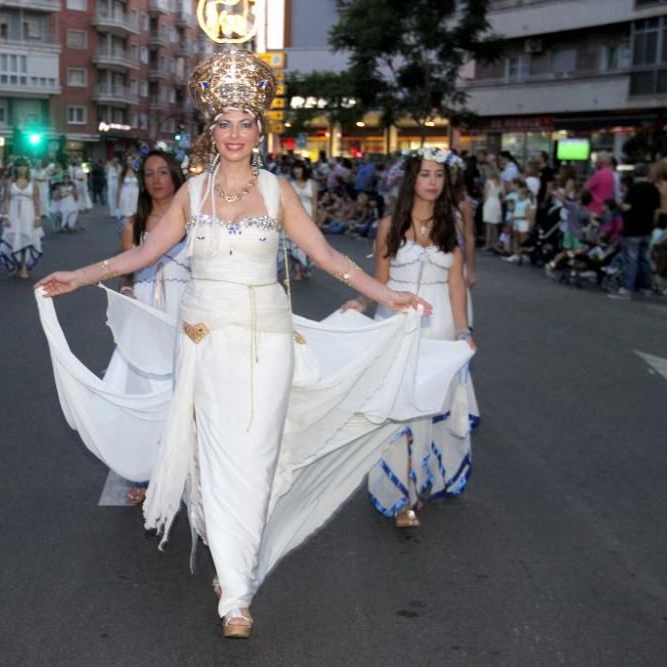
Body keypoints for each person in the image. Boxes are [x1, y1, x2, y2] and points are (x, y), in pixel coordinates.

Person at [34, 50, 469, 639]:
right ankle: (236, 592)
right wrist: (78, 276)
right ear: (211, 132)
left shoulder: (277, 189)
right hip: (205, 343)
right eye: (224, 123)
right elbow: (142, 254)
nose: (234, 133)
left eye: (245, 122)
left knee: (256, 457)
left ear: (258, 130)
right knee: (216, 455)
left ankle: (235, 561)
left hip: (267, 341)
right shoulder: (192, 192)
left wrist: (385, 295)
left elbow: (327, 257)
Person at [342, 148, 478, 528]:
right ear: (412, 180)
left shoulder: (450, 226)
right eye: (426, 174)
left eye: (439, 175)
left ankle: (422, 482)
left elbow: (456, 284)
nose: (433, 182)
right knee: (397, 409)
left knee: (430, 411)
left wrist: (464, 331)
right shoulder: (389, 225)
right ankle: (399, 494)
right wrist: (361, 300)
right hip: (396, 323)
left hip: (440, 326)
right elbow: (381, 280)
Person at [108, 149, 189, 504]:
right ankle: (146, 471)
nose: (156, 180)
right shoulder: (133, 225)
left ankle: (186, 469)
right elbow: (126, 269)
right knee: (145, 393)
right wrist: (127, 292)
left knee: (183, 392)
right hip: (145, 312)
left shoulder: (195, 221)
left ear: (175, 176)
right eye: (149, 174)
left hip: (183, 312)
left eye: (163, 172)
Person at [610, 164, 660, 298]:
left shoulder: (634, 189)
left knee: (630, 259)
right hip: (647, 228)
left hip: (632, 228)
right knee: (644, 259)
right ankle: (646, 287)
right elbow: (656, 212)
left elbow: (627, 207)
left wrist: (619, 205)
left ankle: (628, 287)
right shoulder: (654, 189)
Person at [0, 159, 42, 279]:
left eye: (24, 166)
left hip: (28, 214)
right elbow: (6, 199)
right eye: (19, 166)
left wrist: (38, 217)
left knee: (26, 238)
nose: (21, 169)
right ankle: (15, 265)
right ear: (15, 168)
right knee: (12, 238)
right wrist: (5, 216)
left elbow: (37, 201)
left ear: (27, 169)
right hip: (13, 213)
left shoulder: (33, 183)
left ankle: (24, 267)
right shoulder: (9, 182)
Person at [284, 161, 316, 280]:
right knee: (294, 245)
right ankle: (297, 271)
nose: (296, 171)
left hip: (308, 216)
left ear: (304, 170)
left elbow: (314, 203)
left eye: (299, 168)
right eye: (295, 168)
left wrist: (314, 220)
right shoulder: (290, 184)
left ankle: (305, 268)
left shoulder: (312, 184)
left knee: (307, 246)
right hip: (294, 216)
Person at [482, 164, 503, 252]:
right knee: (495, 225)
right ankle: (494, 243)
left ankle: (488, 244)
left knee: (488, 225)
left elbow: (485, 195)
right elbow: (503, 196)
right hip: (497, 203)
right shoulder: (501, 183)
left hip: (489, 202)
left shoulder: (488, 182)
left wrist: (484, 201)